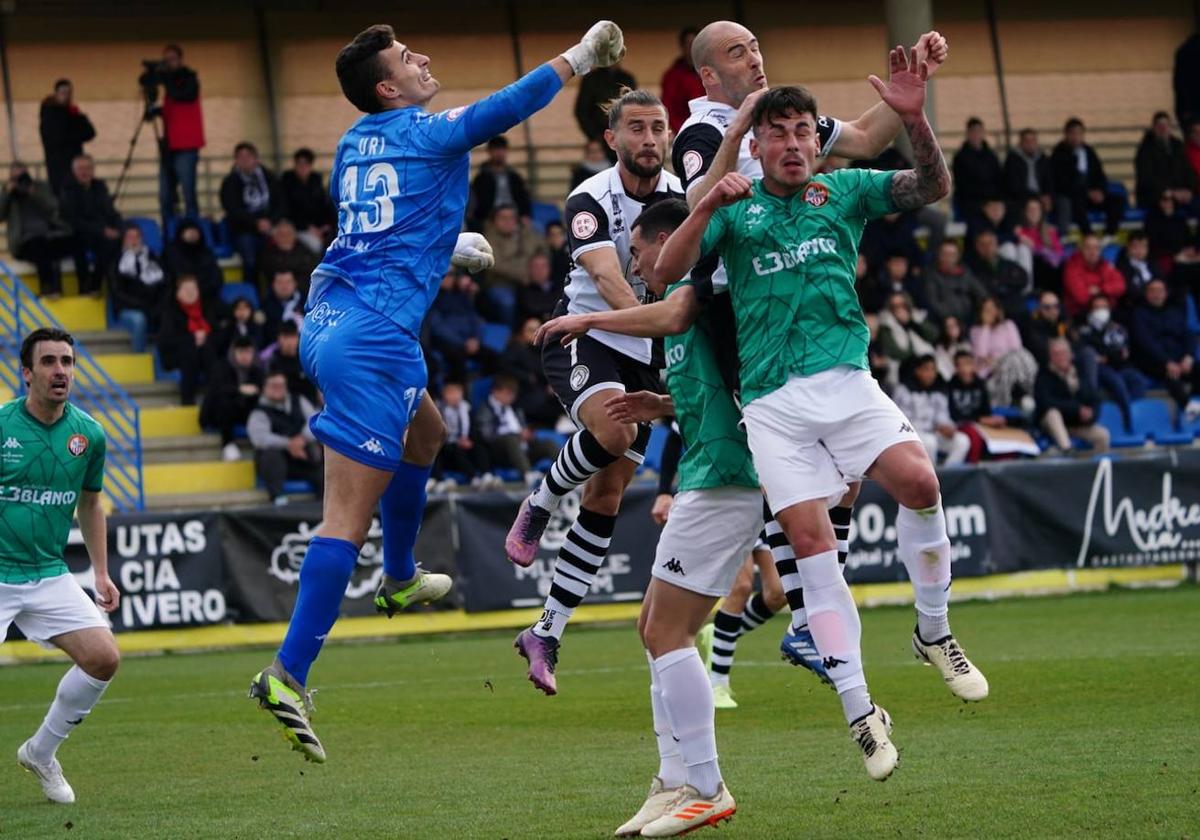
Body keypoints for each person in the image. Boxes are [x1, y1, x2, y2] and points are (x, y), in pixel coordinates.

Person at [247, 20, 627, 761]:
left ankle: (396, 577)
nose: (423, 59)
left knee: (427, 433)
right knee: (341, 521)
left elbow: (369, 228)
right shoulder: (424, 132)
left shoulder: (355, 143)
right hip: (372, 339)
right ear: (388, 87)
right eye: (406, 59)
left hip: (331, 317)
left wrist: (443, 245)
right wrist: (581, 57)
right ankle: (287, 674)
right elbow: (503, 108)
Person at [538, 199, 894, 838]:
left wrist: (588, 317)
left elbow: (685, 322)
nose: (639, 266)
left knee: (666, 633)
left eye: (641, 254)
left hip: (725, 478)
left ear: (663, 241)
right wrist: (667, 403)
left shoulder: (692, 288)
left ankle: (705, 785)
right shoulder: (702, 301)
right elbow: (728, 386)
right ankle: (672, 779)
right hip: (714, 468)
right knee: (653, 625)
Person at [653, 73, 989, 726]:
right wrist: (704, 205)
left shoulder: (842, 191)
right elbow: (663, 271)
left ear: (817, 140)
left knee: (921, 483)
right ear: (755, 143)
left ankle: (933, 629)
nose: (793, 143)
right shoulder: (737, 209)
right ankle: (861, 711)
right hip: (774, 405)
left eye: (804, 131)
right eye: (777, 133)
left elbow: (932, 187)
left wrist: (915, 120)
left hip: (847, 383)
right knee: (811, 548)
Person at [503, 89, 681, 696]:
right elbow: (606, 278)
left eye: (659, 127)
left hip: (649, 351)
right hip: (587, 334)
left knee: (606, 499)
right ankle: (541, 499)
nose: (650, 139)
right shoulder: (590, 198)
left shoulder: (682, 194)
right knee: (615, 431)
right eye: (637, 128)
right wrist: (657, 332)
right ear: (612, 139)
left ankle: (546, 630)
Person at [3, 328, 119, 805]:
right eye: (49, 362)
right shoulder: (3, 427)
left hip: (48, 571)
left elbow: (91, 504)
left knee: (103, 658)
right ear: (26, 372)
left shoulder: (88, 434)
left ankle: (41, 752)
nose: (60, 371)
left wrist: (101, 573)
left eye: (67, 361)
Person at [144, 44, 205, 223]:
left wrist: (164, 77)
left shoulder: (189, 78)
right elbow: (174, 110)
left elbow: (184, 96)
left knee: (188, 193)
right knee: (165, 194)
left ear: (180, 59)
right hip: (169, 144)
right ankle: (169, 233)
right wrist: (156, 111)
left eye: (171, 59)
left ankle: (193, 230)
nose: (168, 63)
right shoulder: (170, 85)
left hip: (186, 144)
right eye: (166, 59)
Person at [0, 163, 76, 298]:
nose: (20, 181)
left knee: (71, 241)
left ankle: (68, 289)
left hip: (50, 235)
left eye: (22, 176)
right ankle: (48, 289)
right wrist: (6, 193)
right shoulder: (8, 195)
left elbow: (53, 207)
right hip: (24, 241)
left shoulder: (40, 187)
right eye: (15, 178)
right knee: (39, 246)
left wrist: (34, 193)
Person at [247, 369, 324, 502]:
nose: (278, 389)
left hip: (303, 456)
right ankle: (278, 498)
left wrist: (301, 440)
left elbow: (315, 421)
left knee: (325, 458)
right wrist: (288, 444)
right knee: (270, 455)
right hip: (278, 461)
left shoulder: (298, 400)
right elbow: (260, 439)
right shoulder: (258, 412)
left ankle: (324, 505)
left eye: (281, 385)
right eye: (273, 386)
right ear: (264, 388)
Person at [1077, 293, 1147, 432]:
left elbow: (1123, 353)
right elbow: (1086, 351)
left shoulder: (1117, 328)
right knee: (1117, 383)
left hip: (1119, 366)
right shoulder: (1084, 330)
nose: (1101, 311)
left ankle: (1123, 409)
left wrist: (1108, 356)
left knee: (1138, 380)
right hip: (1100, 369)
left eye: (1104, 307)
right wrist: (1109, 355)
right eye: (1097, 307)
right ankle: (1128, 423)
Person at [220, 142, 286, 285]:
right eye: (240, 157)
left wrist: (271, 221)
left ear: (256, 159)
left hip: (271, 225)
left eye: (248, 156)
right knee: (250, 258)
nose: (244, 160)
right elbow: (232, 210)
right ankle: (253, 294)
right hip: (244, 229)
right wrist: (256, 222)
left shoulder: (269, 178)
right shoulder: (230, 182)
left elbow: (281, 203)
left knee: (281, 255)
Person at [59, 154, 122, 297]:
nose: (84, 172)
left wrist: (120, 228)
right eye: (81, 169)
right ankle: (85, 287)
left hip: (99, 232)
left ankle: (98, 284)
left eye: (88, 168)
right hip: (76, 232)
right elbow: (72, 219)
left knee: (114, 242)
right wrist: (102, 230)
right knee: (78, 244)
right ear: (74, 171)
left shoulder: (100, 187)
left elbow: (110, 211)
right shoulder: (68, 189)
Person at [1131, 278, 1198, 410]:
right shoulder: (1138, 314)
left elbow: (1188, 335)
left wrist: (1188, 357)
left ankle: (1193, 401)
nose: (1157, 294)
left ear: (1166, 293)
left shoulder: (1175, 311)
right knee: (1170, 376)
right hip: (1154, 361)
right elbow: (1146, 343)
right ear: (1146, 294)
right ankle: (1188, 407)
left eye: (1160, 291)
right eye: (1153, 291)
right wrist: (1166, 362)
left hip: (1179, 359)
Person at [472, 375, 558, 477]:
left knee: (548, 443)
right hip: (500, 451)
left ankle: (565, 474)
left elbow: (522, 427)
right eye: (507, 394)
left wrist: (527, 434)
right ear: (495, 392)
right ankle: (528, 474)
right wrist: (516, 435)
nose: (511, 397)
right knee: (511, 439)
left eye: (513, 394)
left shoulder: (515, 409)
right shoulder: (485, 409)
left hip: (522, 448)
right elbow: (486, 435)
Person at [1034, 337, 1110, 454]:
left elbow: (1094, 398)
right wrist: (1076, 410)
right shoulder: (1044, 375)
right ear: (1050, 356)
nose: (1061, 357)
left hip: (1076, 424)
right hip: (1052, 424)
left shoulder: (1080, 371)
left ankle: (1093, 467)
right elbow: (1045, 402)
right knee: (1052, 414)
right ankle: (1067, 449)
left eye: (1063, 353)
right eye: (1056, 354)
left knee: (1103, 435)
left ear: (1070, 354)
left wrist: (1091, 414)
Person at [893, 354, 970, 466]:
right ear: (917, 371)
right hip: (912, 435)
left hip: (934, 434)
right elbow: (902, 421)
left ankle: (945, 477)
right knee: (930, 442)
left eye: (933, 370)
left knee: (962, 441)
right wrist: (933, 427)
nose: (930, 374)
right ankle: (930, 479)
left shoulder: (938, 390)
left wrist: (946, 427)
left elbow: (943, 415)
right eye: (926, 369)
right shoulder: (904, 390)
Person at [1050, 117, 1122, 236]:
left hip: (1092, 195)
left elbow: (1100, 175)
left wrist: (1100, 191)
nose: (1076, 137)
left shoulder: (1088, 151)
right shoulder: (1059, 153)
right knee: (1077, 202)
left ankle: (1109, 234)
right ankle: (1088, 235)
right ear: (1066, 134)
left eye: (1079, 133)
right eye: (1072, 133)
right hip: (1074, 196)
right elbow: (1062, 182)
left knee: (1117, 200)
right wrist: (1087, 192)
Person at [200, 335, 264, 460]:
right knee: (225, 403)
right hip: (221, 412)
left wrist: (256, 391)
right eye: (241, 352)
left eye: (248, 352)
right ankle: (228, 444)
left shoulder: (257, 371)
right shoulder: (221, 367)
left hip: (246, 411)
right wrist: (239, 390)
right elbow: (216, 391)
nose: (245, 356)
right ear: (234, 352)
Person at [156, 275, 217, 405]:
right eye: (186, 289)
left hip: (203, 354)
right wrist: (192, 338)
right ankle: (188, 400)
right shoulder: (170, 312)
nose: (191, 292)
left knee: (207, 348)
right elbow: (166, 341)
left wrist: (203, 337)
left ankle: (214, 397)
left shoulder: (207, 308)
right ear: (177, 293)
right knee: (190, 349)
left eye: (194, 289)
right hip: (176, 355)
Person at [426, 269, 495, 382]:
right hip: (447, 341)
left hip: (469, 341)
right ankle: (456, 392)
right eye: (447, 275)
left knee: (492, 356)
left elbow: (474, 318)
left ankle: (486, 391)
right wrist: (463, 342)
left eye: (453, 275)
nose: (451, 278)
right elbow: (438, 328)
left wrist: (475, 339)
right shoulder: (433, 298)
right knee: (458, 358)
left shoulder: (461, 296)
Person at [969, 296, 1037, 408]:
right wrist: (986, 327)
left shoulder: (1008, 325)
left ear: (998, 310)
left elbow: (1016, 347)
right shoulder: (976, 330)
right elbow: (980, 354)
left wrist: (997, 358)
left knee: (1021, 355)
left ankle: (1027, 394)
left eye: (992, 309)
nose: (990, 312)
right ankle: (1007, 403)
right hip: (990, 369)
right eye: (986, 310)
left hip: (1011, 364)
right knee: (1013, 361)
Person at [481, 203, 543, 321]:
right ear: (494, 221)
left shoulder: (526, 233)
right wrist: (523, 274)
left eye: (511, 218)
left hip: (529, 280)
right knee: (507, 302)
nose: (508, 221)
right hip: (501, 284)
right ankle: (509, 336)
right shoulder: (488, 237)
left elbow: (542, 251)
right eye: (503, 218)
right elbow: (495, 264)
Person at [112, 224, 167, 352]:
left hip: (153, 304)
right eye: (130, 237)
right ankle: (139, 356)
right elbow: (117, 291)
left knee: (168, 314)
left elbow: (165, 285)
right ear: (124, 239)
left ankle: (162, 359)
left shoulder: (152, 257)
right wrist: (142, 305)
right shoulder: (116, 261)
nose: (134, 240)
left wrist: (158, 304)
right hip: (127, 308)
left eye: (137, 237)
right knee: (139, 320)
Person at [39, 80, 96, 199]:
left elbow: (90, 133)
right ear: (56, 94)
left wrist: (78, 117)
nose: (66, 96)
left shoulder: (73, 113)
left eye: (69, 92)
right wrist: (76, 132)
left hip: (75, 165)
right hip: (58, 167)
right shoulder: (49, 114)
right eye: (63, 92)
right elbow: (58, 138)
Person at [501, 317, 561, 428]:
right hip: (523, 391)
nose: (535, 333)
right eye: (531, 330)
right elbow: (504, 366)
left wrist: (550, 383)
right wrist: (527, 377)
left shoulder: (539, 349)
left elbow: (542, 370)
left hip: (540, 390)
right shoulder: (515, 347)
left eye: (538, 329)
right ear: (522, 331)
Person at [947, 350, 1006, 463]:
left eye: (968, 364)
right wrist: (980, 420)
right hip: (960, 425)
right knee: (974, 436)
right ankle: (973, 471)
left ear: (974, 365)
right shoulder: (949, 386)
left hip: (981, 424)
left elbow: (986, 411)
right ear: (956, 368)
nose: (965, 369)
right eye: (961, 365)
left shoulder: (980, 384)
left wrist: (993, 421)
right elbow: (954, 415)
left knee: (1003, 438)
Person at [1135, 111, 1195, 212]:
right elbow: (1146, 178)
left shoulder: (1177, 146)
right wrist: (1169, 193)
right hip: (1155, 197)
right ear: (1153, 128)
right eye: (1159, 125)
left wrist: (1189, 190)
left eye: (1166, 125)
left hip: (1179, 195)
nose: (1163, 129)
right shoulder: (1145, 150)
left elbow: (1188, 170)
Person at [967, 228, 1030, 323]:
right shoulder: (973, 268)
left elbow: (1023, 279)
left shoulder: (1007, 263)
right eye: (983, 245)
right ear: (977, 247)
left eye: (990, 243)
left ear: (996, 244)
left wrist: (1003, 285)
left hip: (1013, 302)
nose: (987, 247)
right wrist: (1002, 285)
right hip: (992, 304)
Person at [469, 135, 532, 229]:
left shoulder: (514, 177)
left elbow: (523, 199)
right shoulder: (481, 179)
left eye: (502, 149)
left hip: (514, 217)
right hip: (490, 219)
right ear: (489, 152)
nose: (499, 153)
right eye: (496, 150)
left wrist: (525, 215)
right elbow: (476, 205)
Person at [280, 148, 336, 250]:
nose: (302, 168)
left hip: (317, 226)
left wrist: (325, 225)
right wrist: (307, 227)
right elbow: (288, 211)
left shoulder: (315, 181)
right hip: (297, 226)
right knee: (316, 245)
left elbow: (323, 205)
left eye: (306, 164)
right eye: (299, 164)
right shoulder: (287, 183)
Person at [435, 381, 489, 483]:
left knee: (479, 446)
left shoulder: (466, 408)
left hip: (464, 442)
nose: (455, 397)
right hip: (446, 444)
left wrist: (468, 440)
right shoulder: (439, 409)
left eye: (458, 393)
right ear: (444, 395)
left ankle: (486, 474)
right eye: (451, 394)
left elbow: (473, 428)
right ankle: (472, 477)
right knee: (455, 449)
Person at [924, 240, 988, 326]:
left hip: (969, 319)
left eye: (952, 255)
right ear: (939, 255)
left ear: (958, 256)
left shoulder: (965, 273)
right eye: (945, 254)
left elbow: (982, 293)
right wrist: (949, 317)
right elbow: (933, 302)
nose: (948, 258)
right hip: (945, 322)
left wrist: (983, 310)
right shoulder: (931, 276)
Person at [1063, 233, 1127, 318]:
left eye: (1096, 248)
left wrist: (1100, 289)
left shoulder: (1105, 265)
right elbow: (1082, 297)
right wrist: (1107, 294)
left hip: (1107, 309)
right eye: (1088, 248)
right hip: (1080, 313)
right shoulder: (1072, 268)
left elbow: (1121, 286)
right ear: (1081, 249)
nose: (1092, 252)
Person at [952, 117, 1003, 222]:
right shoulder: (960, 158)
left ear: (983, 133)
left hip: (992, 200)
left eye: (979, 131)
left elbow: (999, 179)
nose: (976, 135)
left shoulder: (991, 156)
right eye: (973, 131)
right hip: (971, 202)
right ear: (968, 134)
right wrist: (985, 205)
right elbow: (962, 186)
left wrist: (996, 201)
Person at [574, 61, 636, 147]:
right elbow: (582, 110)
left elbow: (634, 109)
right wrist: (594, 136)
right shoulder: (591, 79)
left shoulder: (627, 79)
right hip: (599, 138)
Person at [163, 218, 222, 299]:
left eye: (195, 231)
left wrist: (200, 291)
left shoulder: (206, 252)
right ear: (181, 233)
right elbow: (171, 278)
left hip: (207, 296)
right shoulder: (171, 252)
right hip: (179, 297)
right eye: (188, 230)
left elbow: (216, 278)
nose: (193, 233)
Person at [1014, 196, 1065, 292]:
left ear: (1041, 212)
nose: (1034, 212)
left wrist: (1039, 249)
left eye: (1037, 209)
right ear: (1024, 212)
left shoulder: (1049, 230)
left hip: (1049, 269)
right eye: (1030, 209)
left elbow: (1059, 253)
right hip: (1031, 269)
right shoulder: (1019, 231)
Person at [263, 320, 318, 406]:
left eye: (292, 336)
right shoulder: (273, 362)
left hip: (311, 406)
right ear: (279, 338)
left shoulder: (306, 359)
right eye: (285, 337)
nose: (289, 341)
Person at [660, 26, 704, 133]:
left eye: (694, 44)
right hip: (683, 129)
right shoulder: (672, 76)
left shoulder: (710, 72)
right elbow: (668, 108)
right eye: (688, 44)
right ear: (682, 46)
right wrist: (683, 130)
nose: (691, 48)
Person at [259, 220, 319, 295]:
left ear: (294, 236)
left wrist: (293, 284)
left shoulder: (305, 252)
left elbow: (312, 273)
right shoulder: (267, 253)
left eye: (288, 234)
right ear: (275, 237)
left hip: (302, 292)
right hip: (274, 292)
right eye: (281, 234)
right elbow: (266, 274)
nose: (285, 238)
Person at [1003, 127, 1052, 217]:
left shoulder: (1043, 159)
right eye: (1026, 141)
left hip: (1040, 195)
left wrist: (1047, 195)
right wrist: (1036, 197)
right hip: (1020, 197)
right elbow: (1013, 186)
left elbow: (1049, 180)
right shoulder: (1012, 159)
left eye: (1033, 140)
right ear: (1020, 143)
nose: (1030, 144)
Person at [261, 269, 305, 347]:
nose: (284, 286)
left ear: (295, 283)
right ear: (273, 285)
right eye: (280, 282)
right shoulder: (265, 306)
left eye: (288, 282)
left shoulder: (306, 303)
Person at [517, 251, 564, 323]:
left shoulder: (560, 288)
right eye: (535, 266)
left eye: (543, 266)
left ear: (550, 268)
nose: (539, 270)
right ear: (529, 269)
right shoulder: (522, 290)